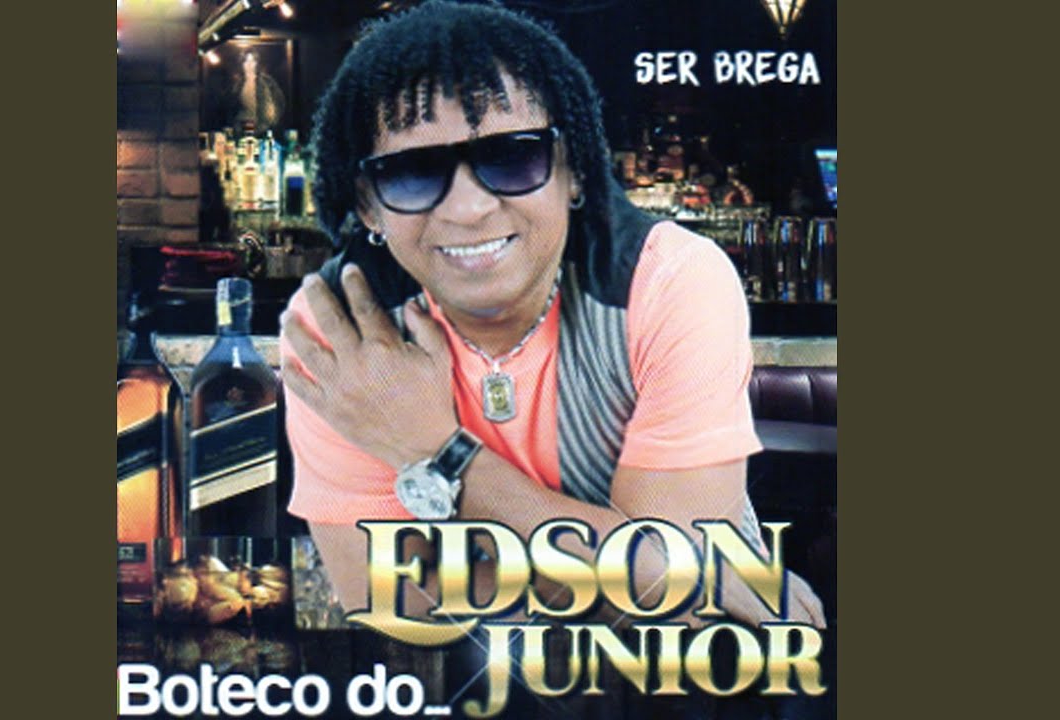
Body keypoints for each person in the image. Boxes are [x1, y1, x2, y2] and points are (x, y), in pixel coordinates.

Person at [278, 0, 824, 628]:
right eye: (411, 173)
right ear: (368, 207)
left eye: (512, 157)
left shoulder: (665, 280)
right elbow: (395, 610)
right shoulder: (340, 332)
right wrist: (625, 562)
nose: (468, 209)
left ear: (574, 172)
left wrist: (433, 449)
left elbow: (674, 607)